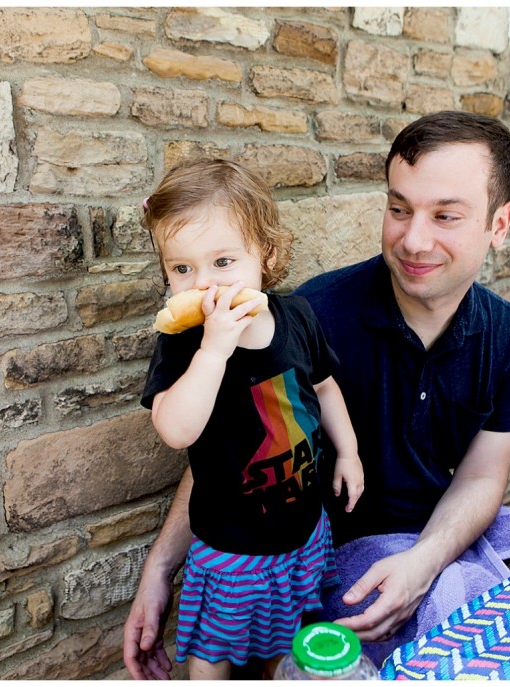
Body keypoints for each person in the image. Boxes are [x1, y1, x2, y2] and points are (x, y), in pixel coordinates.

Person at [123, 112, 510, 679]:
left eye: (446, 216)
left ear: (499, 223)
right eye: (399, 208)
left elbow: (483, 477)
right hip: (337, 567)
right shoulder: (318, 312)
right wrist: (162, 567)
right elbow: (232, 449)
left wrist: (424, 562)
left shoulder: (508, 335)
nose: (413, 238)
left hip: (440, 540)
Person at [138, 159, 365, 680]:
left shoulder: (297, 317)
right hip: (233, 550)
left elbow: (326, 388)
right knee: (213, 654)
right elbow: (176, 430)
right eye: (182, 269)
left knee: (280, 646)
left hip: (303, 533)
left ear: (266, 254)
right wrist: (214, 351)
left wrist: (348, 452)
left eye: (222, 261)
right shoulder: (185, 344)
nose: (205, 285)